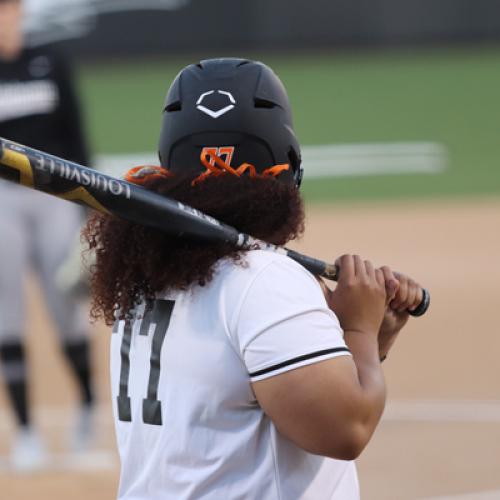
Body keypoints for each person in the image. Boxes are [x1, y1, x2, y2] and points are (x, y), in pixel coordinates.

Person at [83, 58, 424, 499]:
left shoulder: (149, 272)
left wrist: (366, 342)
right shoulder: (264, 278)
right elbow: (346, 427)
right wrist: (358, 328)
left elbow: (246, 387)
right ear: (287, 164)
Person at [0, 0, 94, 469]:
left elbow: (76, 137)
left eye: (7, 8)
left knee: (67, 310)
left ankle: (87, 412)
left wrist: (91, 210)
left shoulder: (50, 59)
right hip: (1, 202)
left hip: (56, 198)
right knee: (7, 317)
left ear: (20, 12)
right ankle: (27, 434)